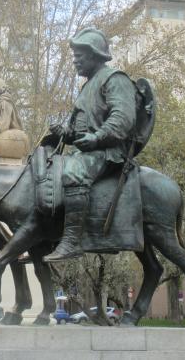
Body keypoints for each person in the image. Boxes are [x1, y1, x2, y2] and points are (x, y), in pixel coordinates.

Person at [43, 27, 137, 262]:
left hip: (109, 152)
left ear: (94, 55)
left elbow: (123, 118)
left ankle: (72, 242)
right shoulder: (87, 86)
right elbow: (82, 130)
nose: (74, 61)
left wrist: (97, 138)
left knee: (73, 172)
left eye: (79, 56)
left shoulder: (115, 78)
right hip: (88, 150)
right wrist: (66, 133)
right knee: (48, 172)